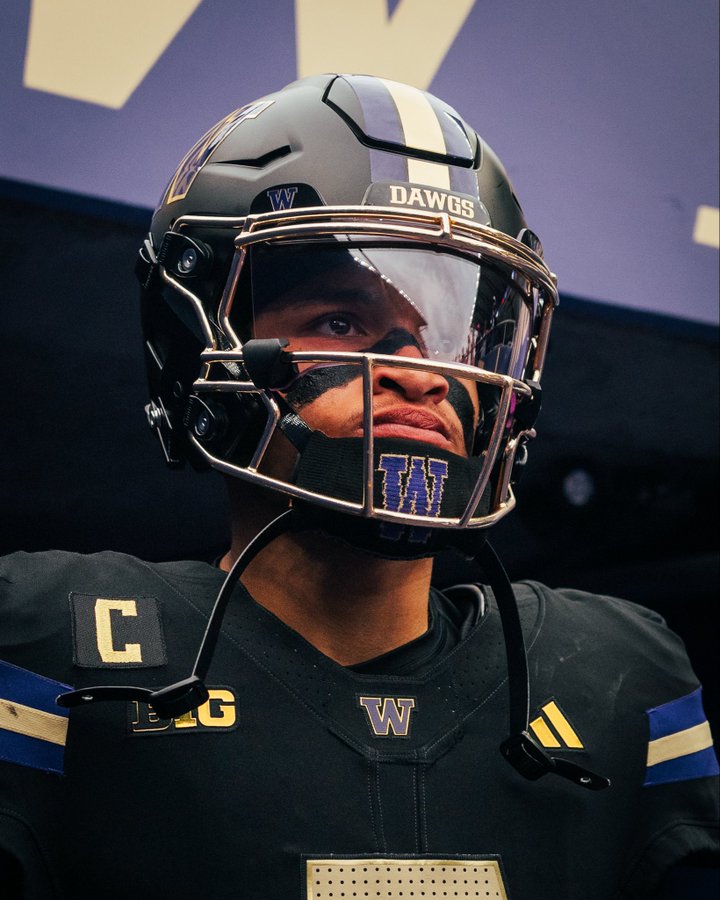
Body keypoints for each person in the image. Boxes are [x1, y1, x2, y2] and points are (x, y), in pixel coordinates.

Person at [0, 74, 717, 900]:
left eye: (448, 335)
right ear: (199, 348)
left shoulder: (623, 674)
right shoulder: (45, 641)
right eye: (340, 322)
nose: (421, 374)